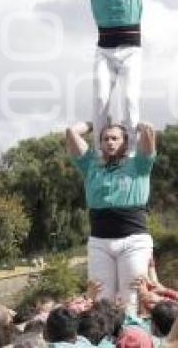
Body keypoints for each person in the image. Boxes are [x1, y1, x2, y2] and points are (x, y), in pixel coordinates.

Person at [66, 119, 157, 306]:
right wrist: (92, 123)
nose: (110, 142)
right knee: (101, 300)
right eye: (105, 139)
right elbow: (71, 133)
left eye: (115, 138)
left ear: (125, 142)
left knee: (132, 298)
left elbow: (149, 132)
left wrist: (136, 125)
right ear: (100, 144)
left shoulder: (139, 164)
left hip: (134, 241)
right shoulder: (91, 165)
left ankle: (133, 333)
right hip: (99, 241)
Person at [74, 0, 146, 153]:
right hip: (105, 51)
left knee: (130, 98)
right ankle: (100, 152)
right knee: (100, 99)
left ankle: (130, 151)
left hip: (130, 51)